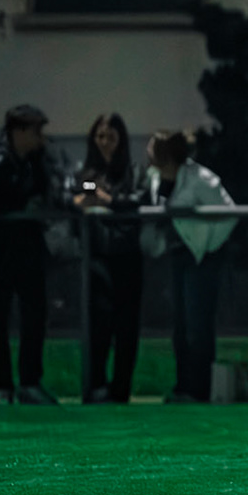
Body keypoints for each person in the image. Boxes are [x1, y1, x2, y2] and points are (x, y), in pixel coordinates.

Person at [0, 104, 61, 405]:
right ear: (18, 131)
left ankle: (29, 382)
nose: (40, 138)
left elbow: (51, 188)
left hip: (28, 252)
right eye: (36, 131)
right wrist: (22, 204)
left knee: (34, 317)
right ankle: (2, 385)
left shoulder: (37, 161)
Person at [142, 131, 238, 404]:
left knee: (198, 325)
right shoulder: (156, 179)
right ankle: (184, 386)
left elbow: (229, 214)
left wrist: (207, 246)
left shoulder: (202, 180)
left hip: (201, 257)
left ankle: (200, 389)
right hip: (178, 256)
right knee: (181, 325)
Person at [72, 112, 144, 404]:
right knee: (97, 326)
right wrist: (90, 193)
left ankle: (121, 389)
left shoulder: (133, 172)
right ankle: (96, 386)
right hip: (97, 258)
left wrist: (109, 200)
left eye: (111, 137)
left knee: (127, 329)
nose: (105, 143)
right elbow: (81, 189)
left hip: (127, 258)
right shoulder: (88, 172)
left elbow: (138, 200)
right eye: (100, 137)